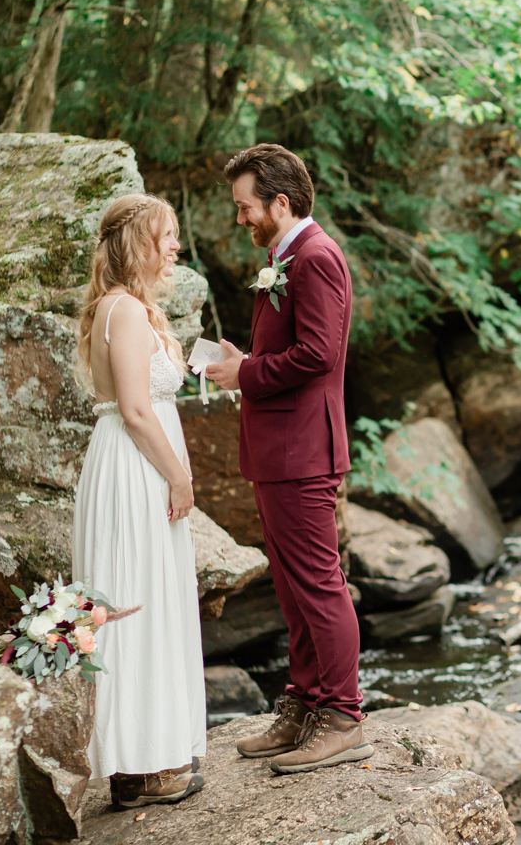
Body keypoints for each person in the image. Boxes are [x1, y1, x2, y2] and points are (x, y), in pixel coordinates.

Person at [206, 143, 372, 774]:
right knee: (291, 584)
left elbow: (319, 355)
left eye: (246, 207)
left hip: (303, 448)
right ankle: (304, 705)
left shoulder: (317, 256)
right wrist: (240, 359)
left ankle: (343, 716)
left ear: (281, 201)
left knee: (320, 583)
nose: (240, 219)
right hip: (277, 448)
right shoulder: (285, 256)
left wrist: (245, 372)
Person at [72, 193, 207, 807]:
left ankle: (147, 759)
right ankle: (139, 767)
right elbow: (132, 410)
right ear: (136, 245)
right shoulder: (123, 310)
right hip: (135, 468)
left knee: (148, 598)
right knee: (137, 600)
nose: (175, 245)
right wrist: (179, 477)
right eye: (166, 235)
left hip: (137, 461)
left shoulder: (133, 309)